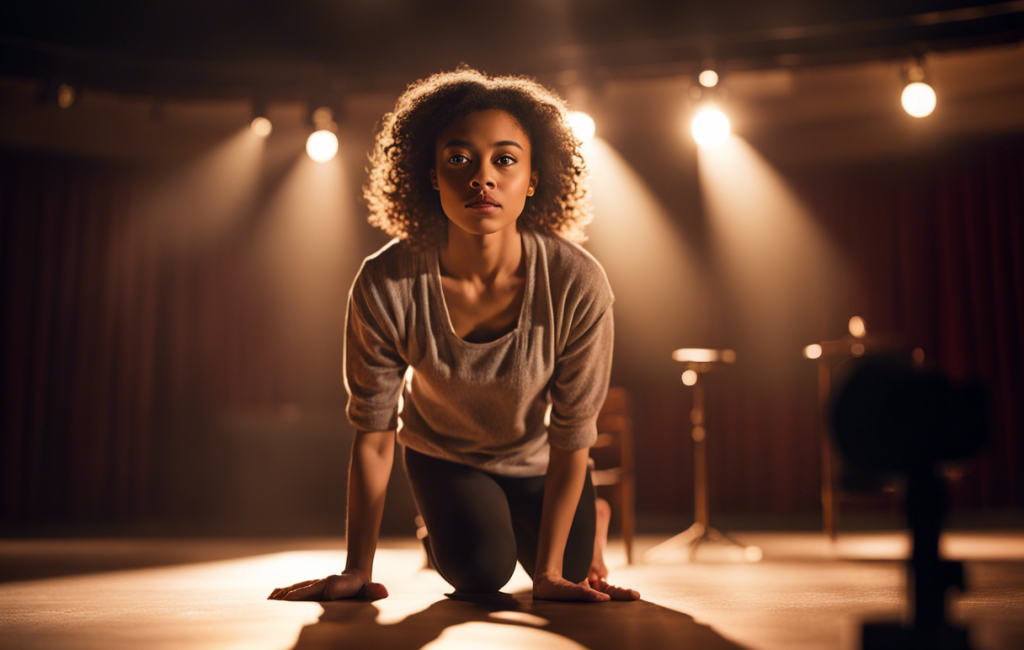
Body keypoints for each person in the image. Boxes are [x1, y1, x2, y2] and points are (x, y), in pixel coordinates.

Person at [269, 67, 639, 604]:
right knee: (481, 573)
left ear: (533, 179)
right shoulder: (386, 282)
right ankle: (445, 525)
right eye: (460, 159)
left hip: (542, 459)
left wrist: (552, 575)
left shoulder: (576, 282)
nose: (482, 178)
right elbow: (374, 434)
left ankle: (590, 525)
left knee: (570, 569)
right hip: (446, 457)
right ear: (432, 176)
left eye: (505, 160)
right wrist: (356, 570)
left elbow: (572, 435)